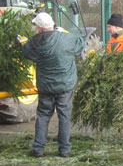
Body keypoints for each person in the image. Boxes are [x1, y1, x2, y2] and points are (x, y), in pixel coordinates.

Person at [18, 12, 84, 157]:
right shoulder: (66, 39)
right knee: (64, 116)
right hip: (65, 86)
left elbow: (27, 53)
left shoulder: (34, 42)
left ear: (40, 28)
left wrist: (23, 42)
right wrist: (64, 32)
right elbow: (80, 44)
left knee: (43, 115)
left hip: (46, 87)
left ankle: (38, 148)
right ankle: (64, 149)